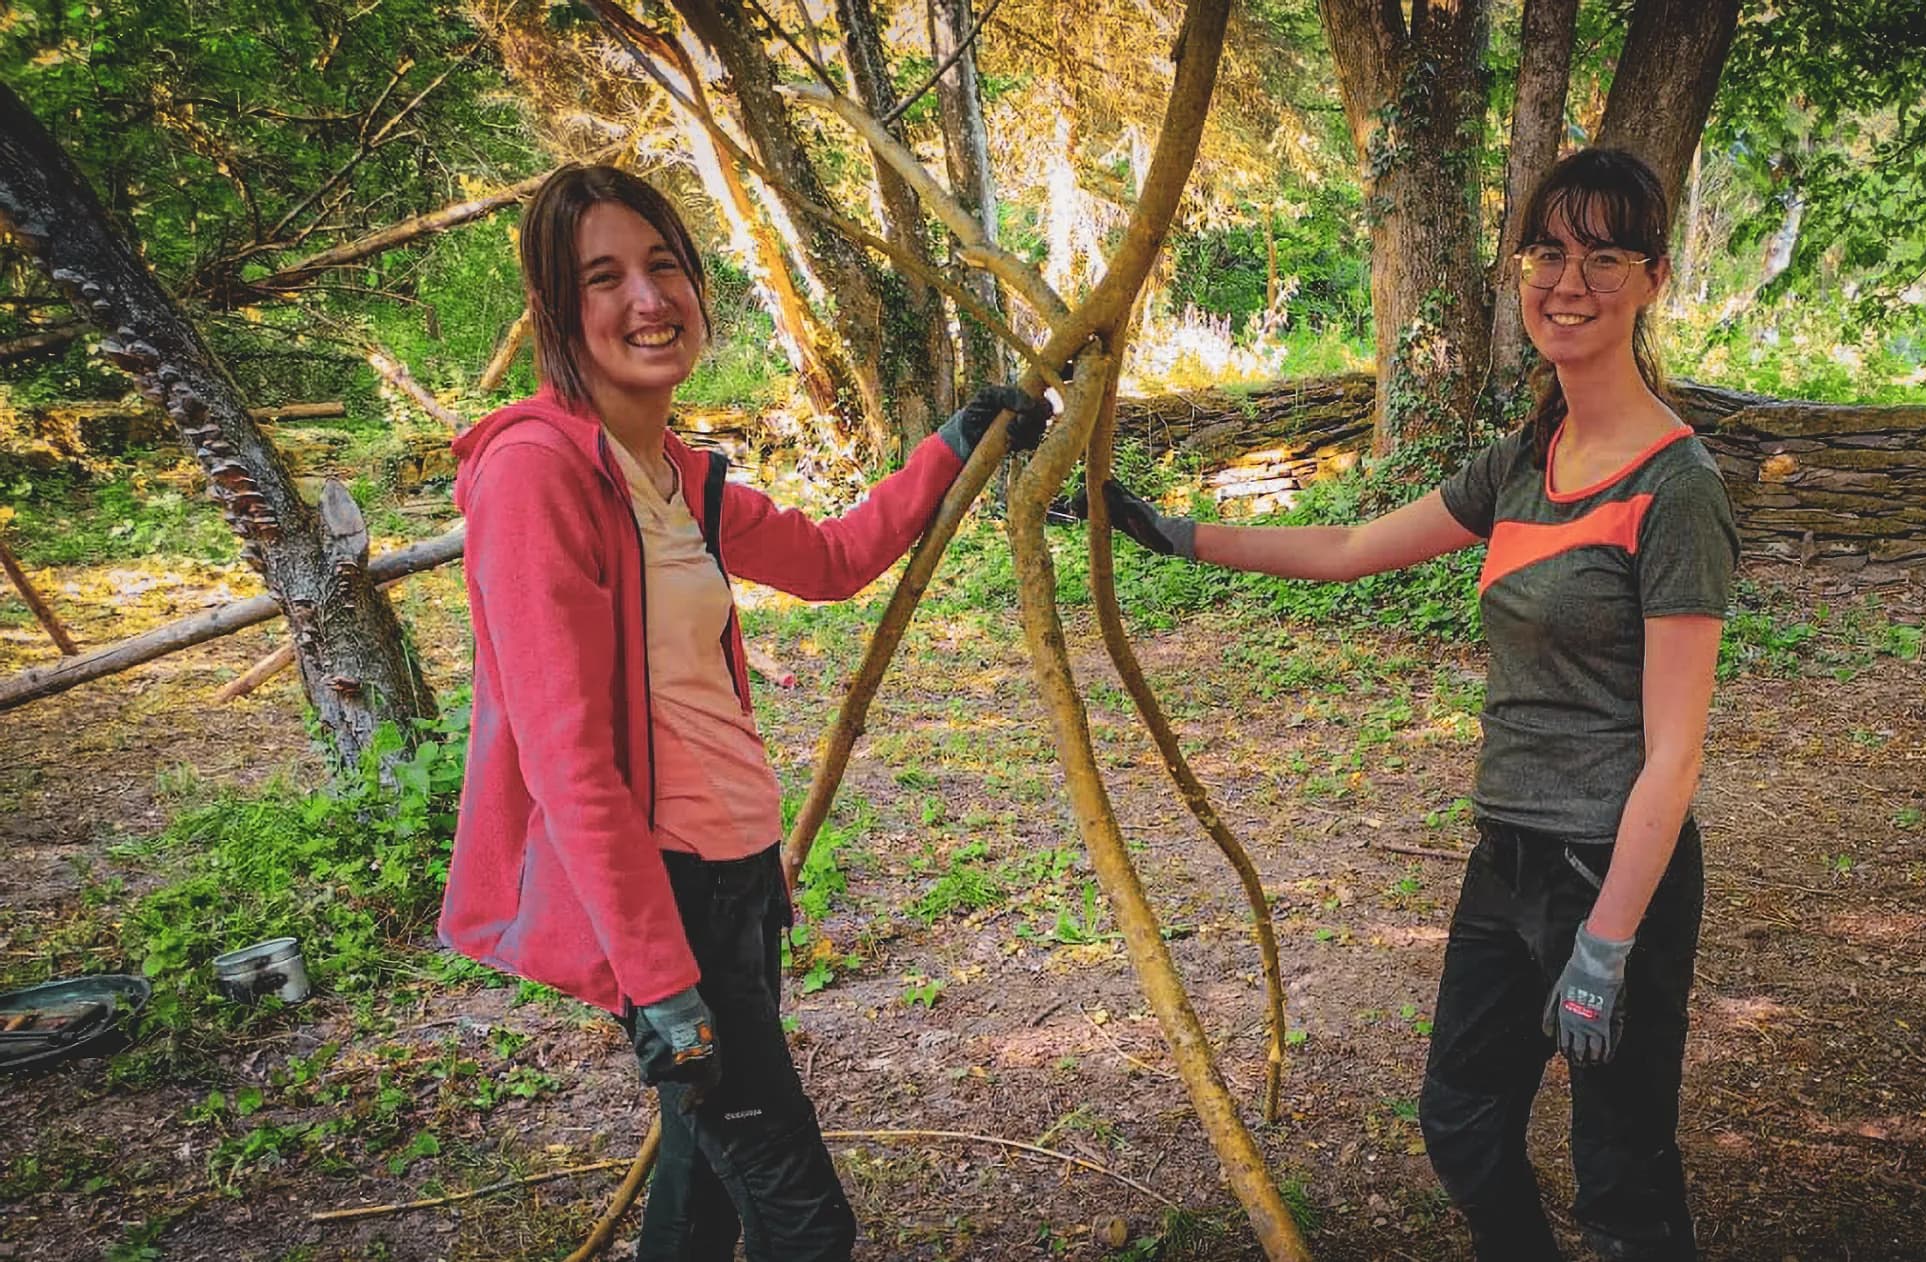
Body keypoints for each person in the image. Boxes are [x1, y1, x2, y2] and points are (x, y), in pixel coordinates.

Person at [1076, 148, 1734, 1260]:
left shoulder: (1678, 487)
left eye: (1604, 256)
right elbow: (1345, 547)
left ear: (1654, 278)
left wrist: (1609, 942)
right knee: (1463, 1118)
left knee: (1622, 1178)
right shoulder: (1529, 457)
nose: (1569, 282)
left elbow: (1673, 754)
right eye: (1550, 251)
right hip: (1509, 857)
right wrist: (1172, 532)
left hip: (1617, 873)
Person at [437, 164, 1050, 1261]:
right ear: (555, 311)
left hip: (737, 877)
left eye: (664, 265)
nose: (647, 299)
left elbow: (829, 559)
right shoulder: (534, 472)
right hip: (661, 900)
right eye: (605, 277)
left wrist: (956, 440)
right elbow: (568, 758)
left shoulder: (682, 475)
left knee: (701, 1186)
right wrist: (659, 978)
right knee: (807, 1223)